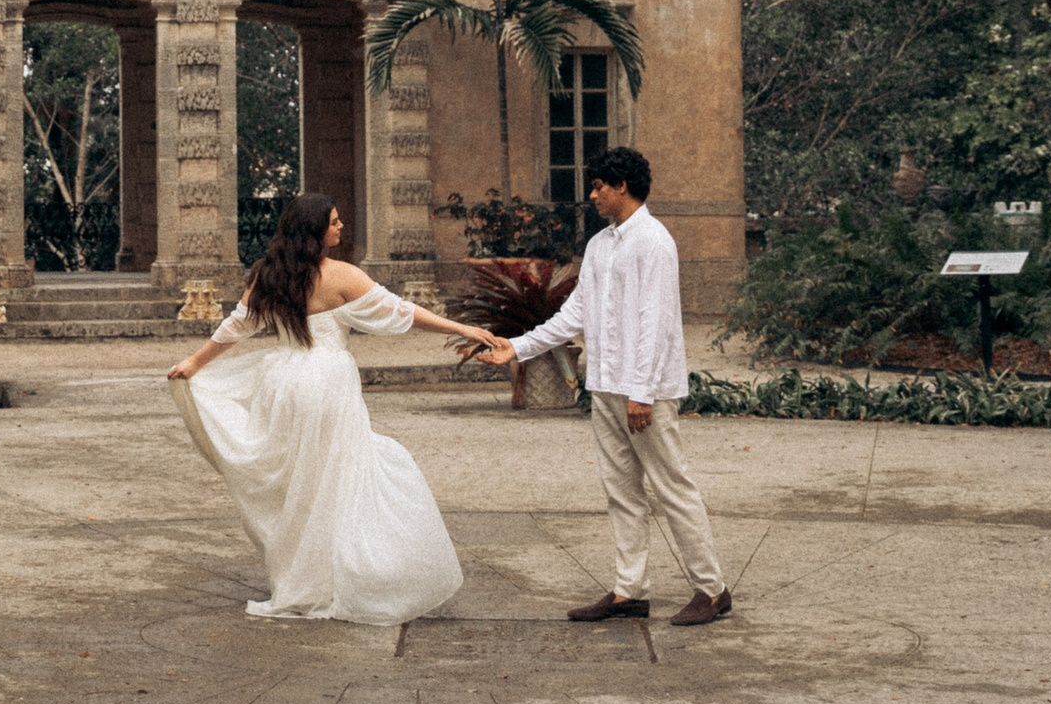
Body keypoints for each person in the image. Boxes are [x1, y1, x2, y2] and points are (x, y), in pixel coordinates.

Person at [168, 194, 505, 624]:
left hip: (283, 382)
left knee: (300, 483)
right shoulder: (342, 275)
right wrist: (460, 326)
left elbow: (238, 325)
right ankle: (334, 576)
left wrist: (195, 363)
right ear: (315, 231)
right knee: (337, 477)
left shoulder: (268, 274)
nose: (341, 226)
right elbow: (403, 312)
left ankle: (302, 578)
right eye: (334, 221)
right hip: (326, 382)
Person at [481, 146, 731, 626]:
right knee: (621, 491)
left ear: (622, 186)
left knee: (672, 486)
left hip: (645, 392)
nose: (591, 194)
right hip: (605, 386)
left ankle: (712, 589)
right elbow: (576, 314)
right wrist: (519, 347)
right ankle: (629, 591)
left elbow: (654, 323)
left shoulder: (655, 242)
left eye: (598, 186)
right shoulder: (600, 246)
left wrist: (642, 393)